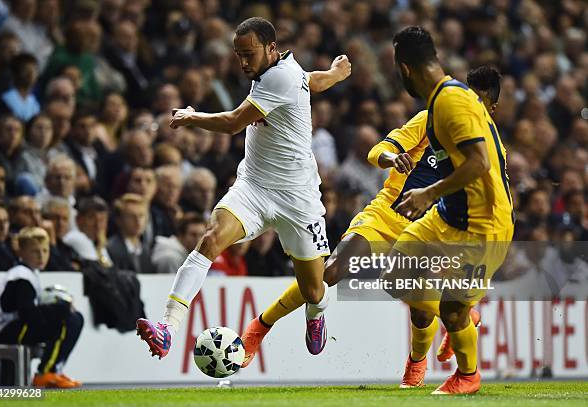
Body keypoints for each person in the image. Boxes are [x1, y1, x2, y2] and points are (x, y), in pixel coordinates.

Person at [239, 65, 505, 390]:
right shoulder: (431, 119)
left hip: (433, 229)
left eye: (480, 104)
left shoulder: (491, 151)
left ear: (491, 109)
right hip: (386, 216)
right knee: (330, 272)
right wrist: (392, 158)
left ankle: (417, 364)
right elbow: (376, 150)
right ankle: (259, 327)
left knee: (421, 310)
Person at [136, 17, 351, 359]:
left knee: (314, 289)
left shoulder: (278, 76)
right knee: (210, 240)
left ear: (271, 48)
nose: (243, 62)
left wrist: (192, 117)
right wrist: (336, 74)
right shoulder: (285, 73)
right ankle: (167, 328)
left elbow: (235, 122)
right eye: (238, 55)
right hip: (253, 186)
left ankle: (316, 312)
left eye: (249, 54)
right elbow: (311, 81)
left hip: (297, 198)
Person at [384, 27, 513, 394]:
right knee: (395, 277)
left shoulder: (451, 103)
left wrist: (427, 193)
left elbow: (480, 163)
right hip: (449, 214)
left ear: (405, 68)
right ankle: (465, 314)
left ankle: (468, 375)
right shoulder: (444, 99)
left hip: (483, 224)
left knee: (452, 308)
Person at [0, 226, 83, 388]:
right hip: (5, 330)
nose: (42, 256)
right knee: (70, 320)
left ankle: (54, 370)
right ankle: (46, 372)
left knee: (72, 318)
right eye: (35, 251)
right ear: (21, 252)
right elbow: (28, 314)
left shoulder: (29, 274)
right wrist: (62, 308)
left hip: (14, 327)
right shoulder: (21, 277)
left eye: (45, 251)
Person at [106, 193, 152, 273]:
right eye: (131, 216)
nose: (138, 221)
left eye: (141, 216)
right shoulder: (110, 249)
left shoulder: (146, 250)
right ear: (119, 220)